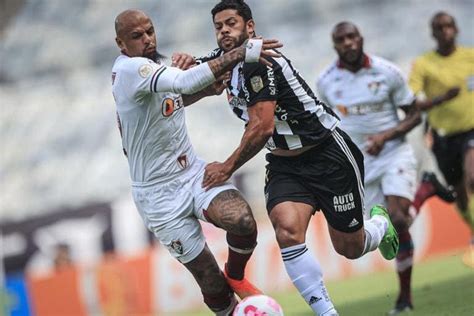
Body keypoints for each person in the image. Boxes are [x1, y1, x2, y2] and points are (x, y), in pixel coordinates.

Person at [174, 1, 402, 315]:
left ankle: (378, 225)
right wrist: (179, 67)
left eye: (232, 23)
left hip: (327, 153)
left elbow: (262, 127)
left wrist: (227, 167)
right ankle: (327, 313)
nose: (224, 30)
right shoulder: (224, 61)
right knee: (286, 231)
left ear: (250, 27)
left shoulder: (261, 62)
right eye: (218, 26)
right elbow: (180, 91)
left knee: (349, 247)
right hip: (285, 165)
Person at [111, 9, 283, 315]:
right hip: (158, 196)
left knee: (242, 221)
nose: (147, 39)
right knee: (210, 282)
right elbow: (186, 83)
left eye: (149, 31)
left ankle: (236, 274)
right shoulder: (131, 69)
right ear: (121, 44)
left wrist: (208, 87)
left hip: (192, 173)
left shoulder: (151, 68)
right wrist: (242, 53)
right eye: (137, 36)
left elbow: (174, 99)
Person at [317, 22, 459, 315]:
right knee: (391, 229)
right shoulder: (326, 81)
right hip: (359, 165)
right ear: (335, 46)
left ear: (361, 38)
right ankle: (427, 187)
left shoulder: (387, 72)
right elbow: (326, 127)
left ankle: (404, 298)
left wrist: (385, 136)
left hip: (394, 153)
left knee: (397, 218)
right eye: (341, 39)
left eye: (352, 37)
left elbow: (414, 115)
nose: (348, 43)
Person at [409, 11, 474, 269]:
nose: (445, 31)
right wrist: (440, 99)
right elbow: (410, 102)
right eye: (439, 27)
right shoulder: (424, 64)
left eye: (448, 26)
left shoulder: (470, 56)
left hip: (470, 131)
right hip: (442, 137)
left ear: (456, 29)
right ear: (433, 33)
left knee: (473, 176)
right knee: (459, 193)